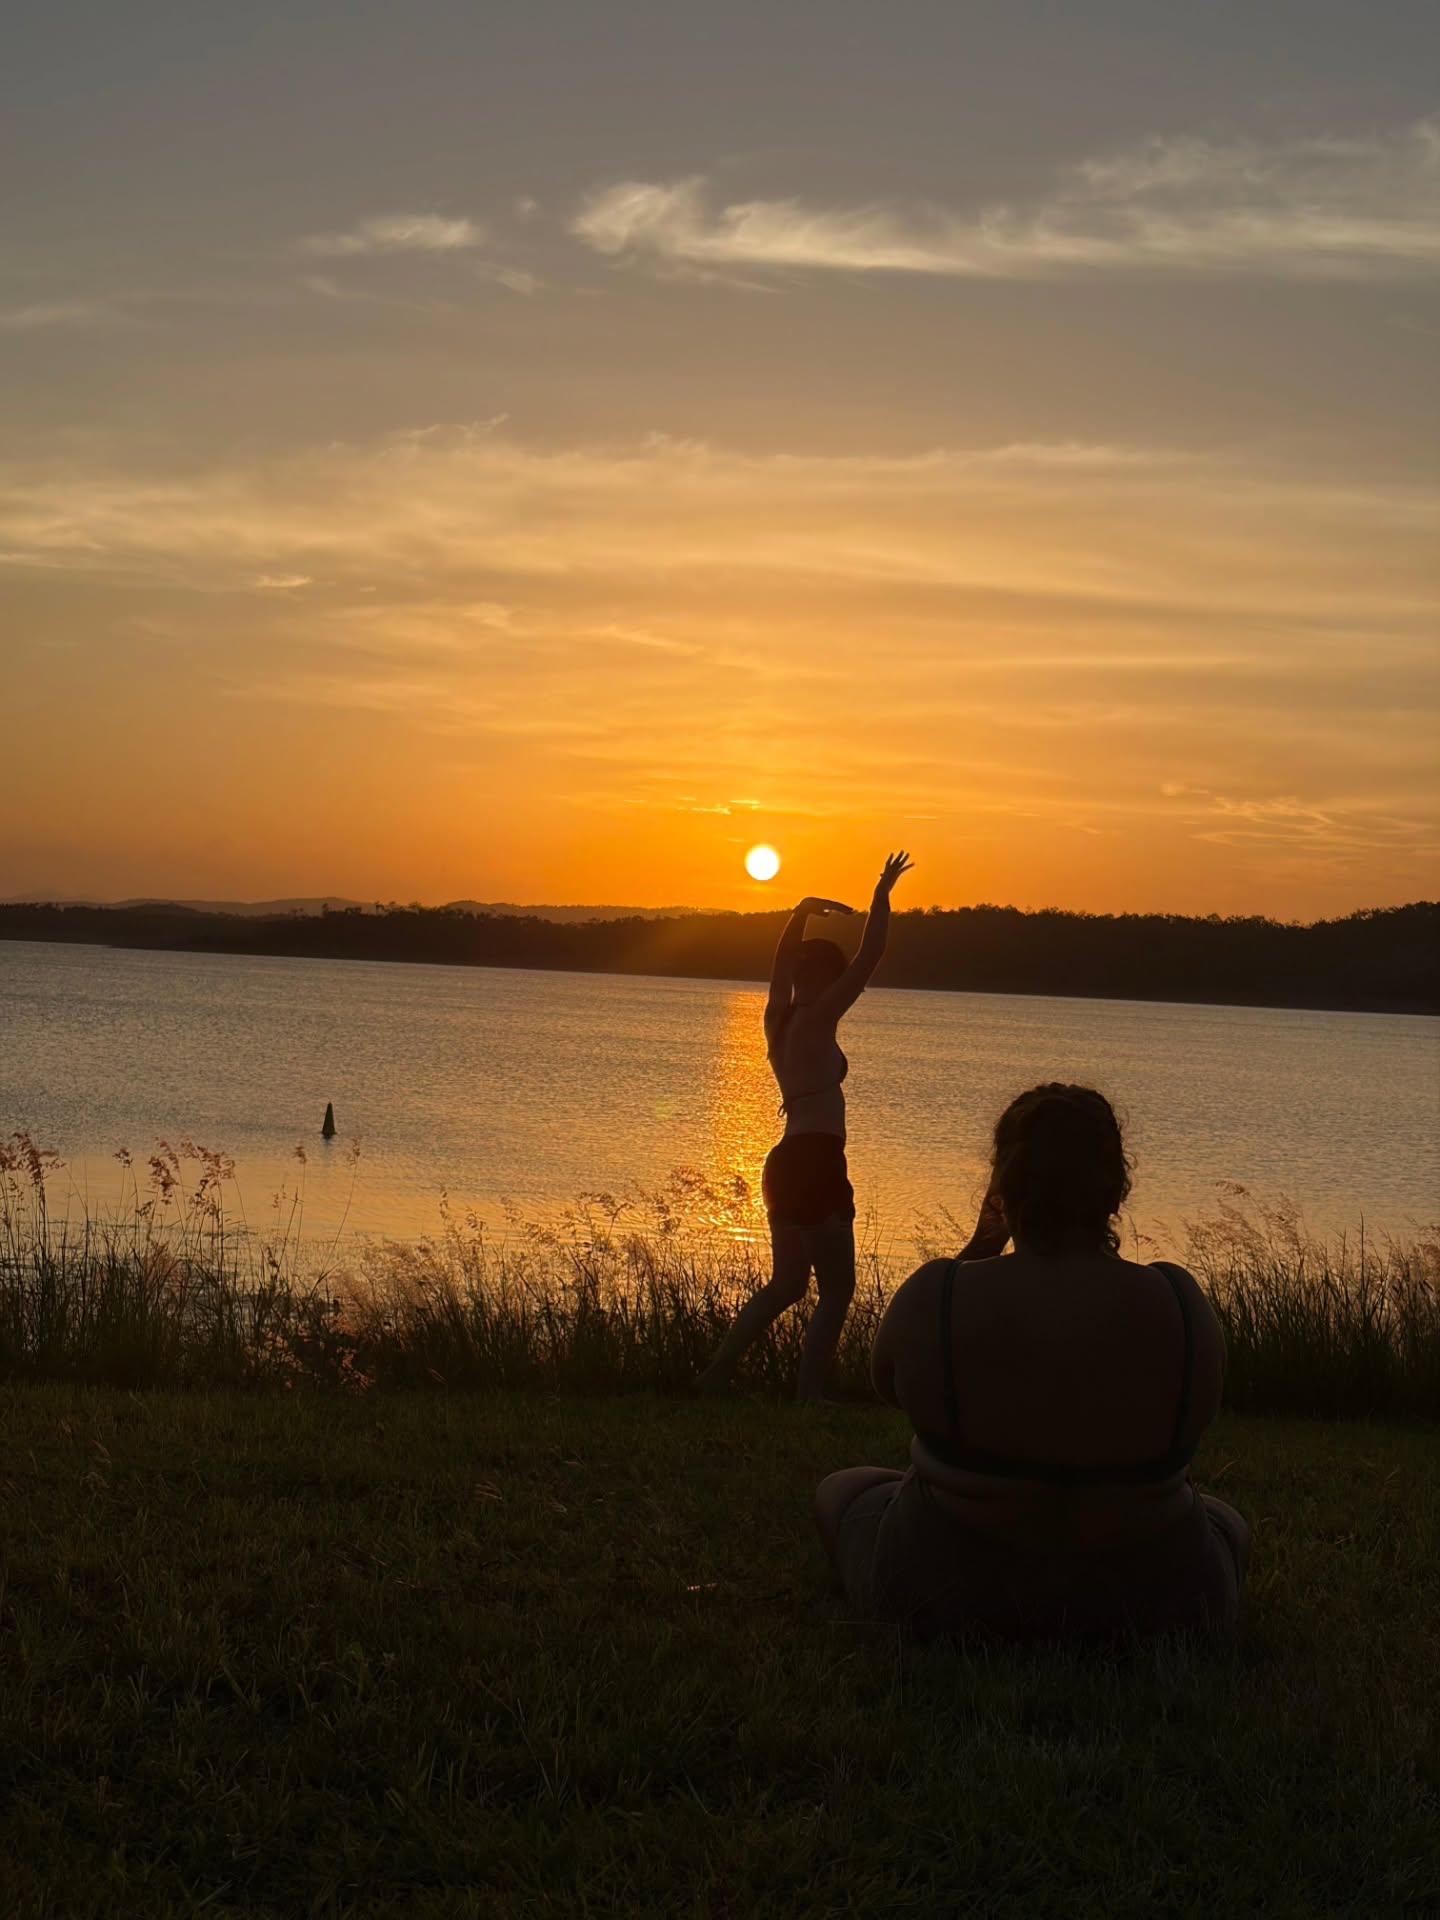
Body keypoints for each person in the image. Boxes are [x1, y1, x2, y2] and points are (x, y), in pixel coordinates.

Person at [815, 1083, 1251, 1642]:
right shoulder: (1180, 1302)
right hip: (1156, 1599)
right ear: (1114, 1187)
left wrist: (982, 1246)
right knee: (1225, 1519)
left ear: (1004, 1184)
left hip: (953, 1592)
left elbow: (887, 1385)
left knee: (843, 1488)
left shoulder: (938, 1295)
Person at [698, 851, 915, 1402]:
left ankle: (716, 1374)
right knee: (837, 1291)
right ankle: (809, 1395)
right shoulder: (818, 1018)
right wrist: (881, 893)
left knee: (788, 1284)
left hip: (784, 1163)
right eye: (834, 976)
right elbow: (872, 954)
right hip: (816, 1161)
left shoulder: (777, 1019)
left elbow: (780, 965)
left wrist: (798, 914)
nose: (845, 984)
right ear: (825, 977)